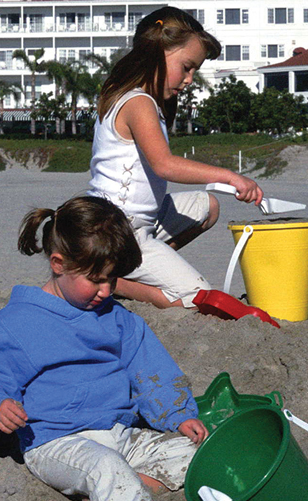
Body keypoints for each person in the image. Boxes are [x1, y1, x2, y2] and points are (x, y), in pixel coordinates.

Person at [0, 196, 208, 501]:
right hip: (56, 441)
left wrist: (178, 415)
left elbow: (151, 370)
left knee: (196, 453)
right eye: (97, 279)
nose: (107, 291)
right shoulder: (21, 322)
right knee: (105, 467)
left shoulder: (116, 319)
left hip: (119, 433)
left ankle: (109, 499)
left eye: (114, 279)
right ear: (58, 264)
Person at [88, 7, 264, 309]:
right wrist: (229, 176)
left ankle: (142, 268)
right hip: (116, 229)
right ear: (158, 51)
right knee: (195, 300)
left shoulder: (140, 98)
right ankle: (116, 281)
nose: (190, 78)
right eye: (186, 67)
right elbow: (164, 165)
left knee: (207, 206)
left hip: (141, 221)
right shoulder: (138, 102)